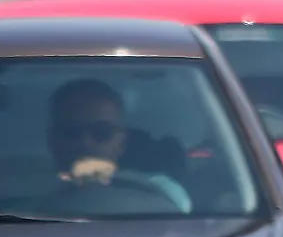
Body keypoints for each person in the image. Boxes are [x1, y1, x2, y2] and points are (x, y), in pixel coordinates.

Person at [47, 79, 192, 213]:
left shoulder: (164, 192)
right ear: (53, 140)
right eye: (71, 131)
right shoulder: (29, 202)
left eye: (102, 132)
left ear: (121, 142)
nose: (86, 142)